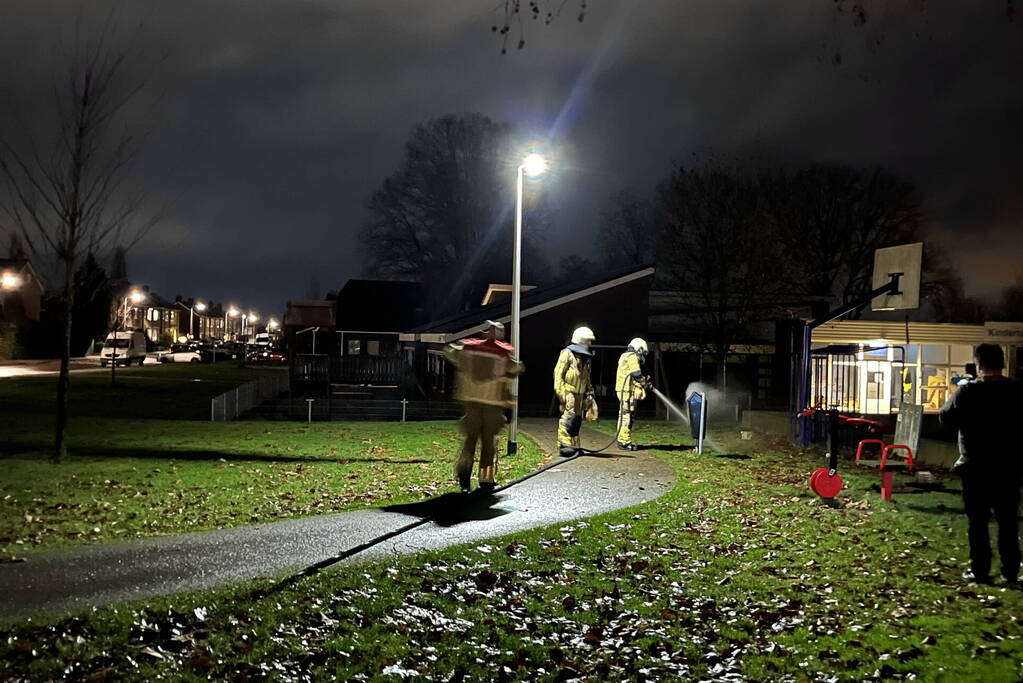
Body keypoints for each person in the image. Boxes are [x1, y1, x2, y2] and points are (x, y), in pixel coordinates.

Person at [939, 343, 1021, 586]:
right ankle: (1010, 570)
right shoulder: (1017, 390)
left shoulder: (968, 392)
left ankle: (980, 570)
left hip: (976, 467)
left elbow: (946, 417)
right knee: (1008, 521)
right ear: (1002, 363)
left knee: (978, 522)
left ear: (979, 365)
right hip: (1009, 467)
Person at [446, 321, 523, 493]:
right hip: (493, 405)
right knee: (489, 444)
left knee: (469, 441)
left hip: (471, 403)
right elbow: (517, 369)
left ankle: (464, 475)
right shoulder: (504, 352)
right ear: (500, 334)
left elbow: (450, 353)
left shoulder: (468, 348)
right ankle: (486, 480)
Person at [553, 326, 597, 457]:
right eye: (588, 341)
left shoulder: (585, 358)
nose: (590, 343)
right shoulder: (567, 353)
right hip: (569, 391)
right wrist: (561, 393)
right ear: (582, 340)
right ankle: (564, 444)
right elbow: (558, 374)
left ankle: (573, 444)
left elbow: (586, 377)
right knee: (569, 418)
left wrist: (589, 392)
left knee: (577, 419)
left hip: (580, 393)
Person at [615, 338, 649, 451]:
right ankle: (624, 442)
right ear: (639, 349)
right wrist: (644, 382)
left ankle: (622, 440)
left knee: (625, 414)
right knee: (627, 416)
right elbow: (636, 373)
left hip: (624, 389)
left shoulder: (625, 355)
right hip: (626, 391)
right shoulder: (632, 356)